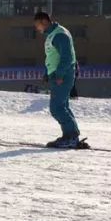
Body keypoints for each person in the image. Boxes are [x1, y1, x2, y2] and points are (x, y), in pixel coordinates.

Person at [34, 11, 83, 148]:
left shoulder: (59, 35)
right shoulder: (53, 34)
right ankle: (71, 135)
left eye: (37, 25)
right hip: (57, 74)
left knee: (57, 108)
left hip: (62, 76)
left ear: (44, 22)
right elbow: (53, 56)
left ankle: (71, 137)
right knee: (63, 106)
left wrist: (60, 75)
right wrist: (47, 72)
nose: (37, 29)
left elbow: (66, 57)